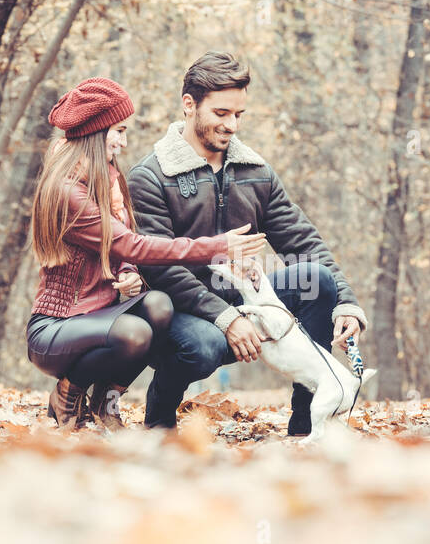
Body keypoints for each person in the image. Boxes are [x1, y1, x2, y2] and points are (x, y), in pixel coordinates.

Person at [128, 52, 369, 434]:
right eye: (221, 113)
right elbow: (157, 266)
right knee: (204, 346)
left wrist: (346, 303)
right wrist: (227, 320)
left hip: (243, 297)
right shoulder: (150, 177)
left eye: (239, 115)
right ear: (189, 106)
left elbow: (303, 240)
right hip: (180, 309)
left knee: (317, 280)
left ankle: (307, 424)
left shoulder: (256, 173)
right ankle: (160, 416)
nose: (232, 125)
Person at [26, 77, 268, 430]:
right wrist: (218, 246)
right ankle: (66, 392)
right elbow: (130, 244)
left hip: (98, 314)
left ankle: (106, 402)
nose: (124, 142)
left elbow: (123, 248)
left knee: (158, 304)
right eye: (118, 131)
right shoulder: (66, 192)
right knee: (134, 333)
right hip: (57, 326)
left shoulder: (107, 180)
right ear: (96, 132)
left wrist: (128, 272)